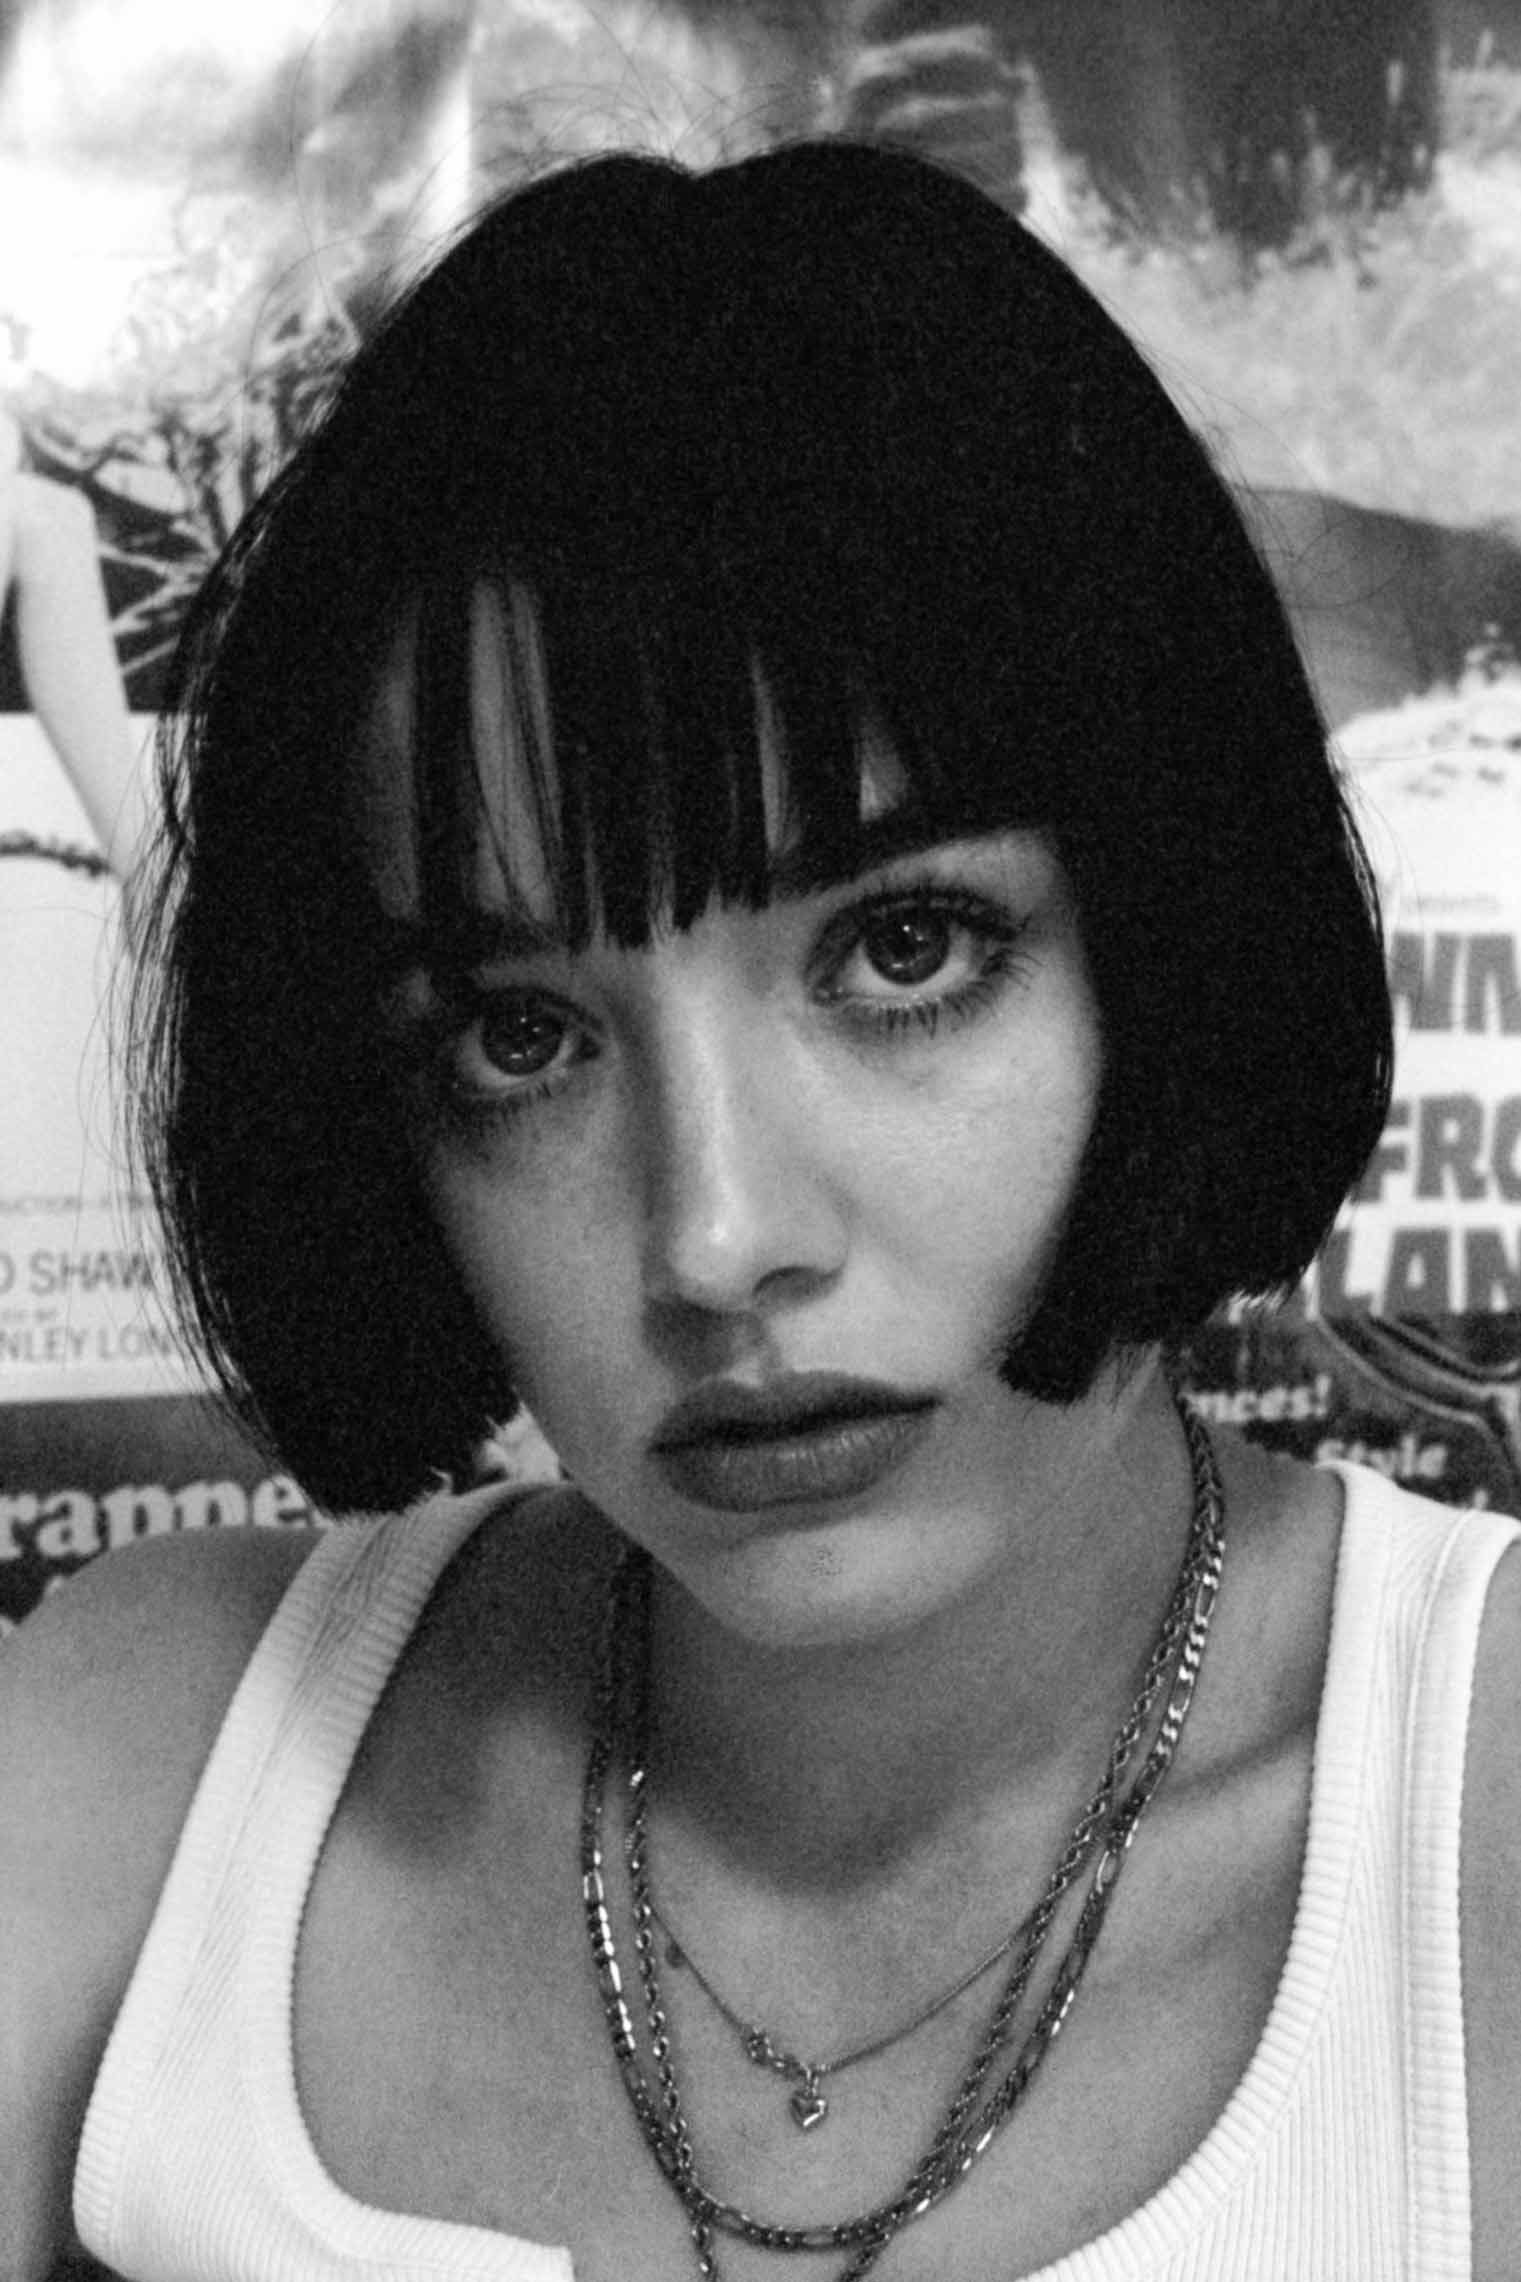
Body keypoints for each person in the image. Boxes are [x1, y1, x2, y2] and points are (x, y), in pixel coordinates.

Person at [2, 138, 1518, 2282]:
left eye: (900, 952)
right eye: (522, 1036)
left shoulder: (1477, 1811)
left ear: (1173, 942)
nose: (714, 1239)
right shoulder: (149, 1747)